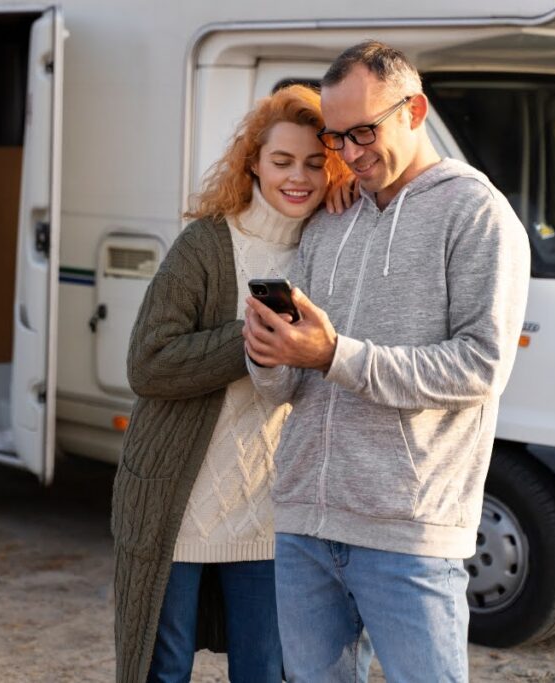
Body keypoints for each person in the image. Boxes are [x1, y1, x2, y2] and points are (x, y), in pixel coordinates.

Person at [243, 41, 531, 682]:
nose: (348, 154)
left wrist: (334, 354)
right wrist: (269, 353)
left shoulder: (476, 214)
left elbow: (480, 367)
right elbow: (284, 388)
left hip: (410, 532)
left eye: (364, 132)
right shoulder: (329, 220)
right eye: (337, 137)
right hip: (305, 524)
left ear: (415, 110)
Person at [111, 84, 350, 683]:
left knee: (263, 671)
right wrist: (250, 336)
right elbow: (147, 363)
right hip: (177, 502)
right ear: (253, 163)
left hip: (272, 511)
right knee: (162, 669)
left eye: (315, 163)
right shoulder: (206, 244)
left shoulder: (331, 248)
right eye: (282, 160)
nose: (298, 177)